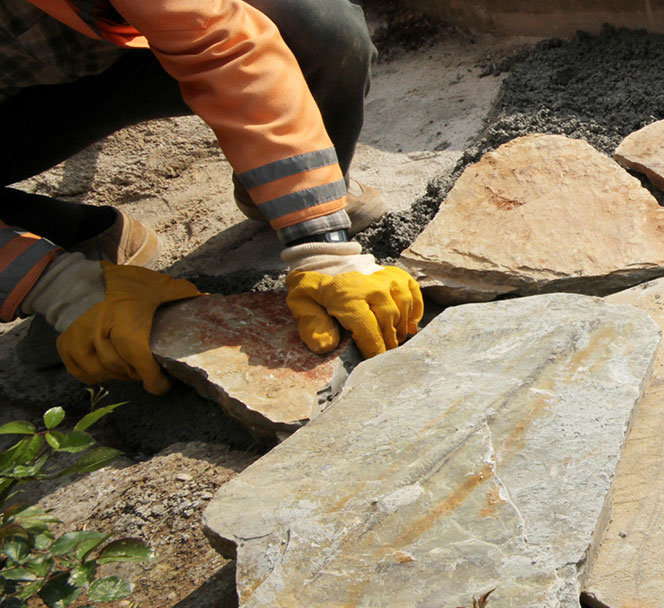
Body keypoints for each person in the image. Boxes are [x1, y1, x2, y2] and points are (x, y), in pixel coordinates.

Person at [0, 0, 423, 395]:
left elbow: (225, 46)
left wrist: (321, 242)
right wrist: (53, 286)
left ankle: (286, 193)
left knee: (317, 30)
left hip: (126, 48)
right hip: (18, 111)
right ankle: (66, 240)